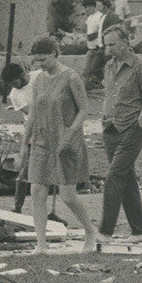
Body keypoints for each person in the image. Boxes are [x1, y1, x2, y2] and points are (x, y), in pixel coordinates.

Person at [18, 37, 97, 254]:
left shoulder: (71, 77)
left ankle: (90, 231)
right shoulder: (39, 80)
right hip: (41, 139)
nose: (40, 64)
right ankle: (41, 244)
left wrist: (70, 133)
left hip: (66, 141)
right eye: (36, 61)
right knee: (36, 190)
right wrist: (25, 143)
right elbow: (33, 113)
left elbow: (84, 109)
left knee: (67, 195)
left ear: (54, 53)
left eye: (43, 59)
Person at [98, 24, 142, 243]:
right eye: (106, 45)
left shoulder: (141, 65)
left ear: (125, 42)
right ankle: (139, 231)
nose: (109, 49)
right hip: (110, 127)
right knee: (126, 178)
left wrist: (140, 123)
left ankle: (105, 231)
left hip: (131, 128)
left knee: (114, 177)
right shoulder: (108, 66)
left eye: (113, 44)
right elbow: (109, 95)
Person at [2, 62, 40, 213]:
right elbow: (32, 113)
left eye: (14, 82)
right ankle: (17, 206)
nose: (14, 86)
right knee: (25, 169)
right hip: (34, 129)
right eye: (10, 84)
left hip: (54, 125)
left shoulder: (39, 76)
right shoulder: (15, 94)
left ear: (22, 75)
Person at [83, 0, 120, 90]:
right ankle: (105, 84)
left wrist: (109, 46)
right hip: (100, 47)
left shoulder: (112, 16)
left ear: (105, 6)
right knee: (95, 68)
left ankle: (111, 85)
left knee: (109, 68)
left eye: (99, 6)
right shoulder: (102, 16)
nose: (97, 8)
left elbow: (113, 31)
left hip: (106, 47)